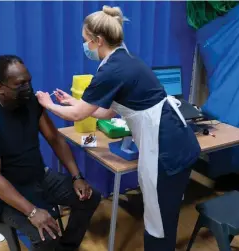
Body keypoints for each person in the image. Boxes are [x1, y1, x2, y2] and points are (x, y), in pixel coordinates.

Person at [35, 6, 201, 251]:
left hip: (166, 149)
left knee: (159, 219)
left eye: (85, 41)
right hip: (176, 139)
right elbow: (109, 110)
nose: (85, 46)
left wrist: (47, 105)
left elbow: (81, 114)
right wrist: (72, 102)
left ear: (98, 40)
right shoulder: (124, 58)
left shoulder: (112, 70)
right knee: (164, 212)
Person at [0, 55, 101, 251]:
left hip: (36, 177)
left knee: (90, 197)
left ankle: (67, 247)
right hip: (1, 194)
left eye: (29, 81)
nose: (27, 88)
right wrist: (32, 212)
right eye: (19, 84)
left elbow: (55, 138)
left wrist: (77, 176)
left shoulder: (30, 103)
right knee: (47, 237)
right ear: (0, 87)